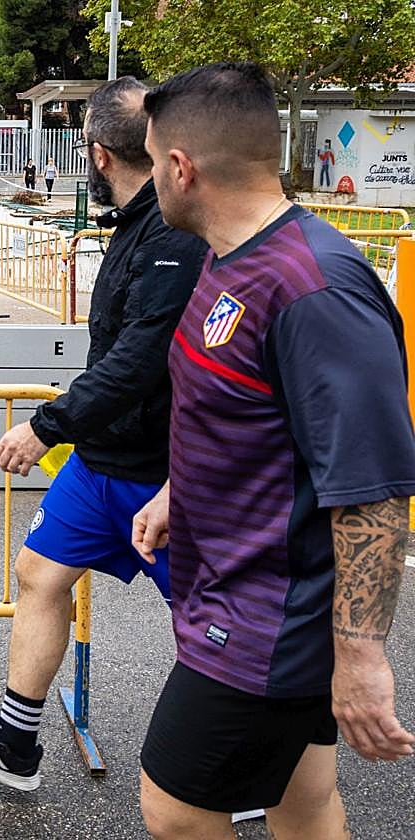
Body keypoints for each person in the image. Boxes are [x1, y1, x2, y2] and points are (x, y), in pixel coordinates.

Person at [134, 61, 415, 839]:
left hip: (268, 620)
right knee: (303, 799)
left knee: (176, 808)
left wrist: (359, 657)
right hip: (232, 590)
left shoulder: (314, 287)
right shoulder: (233, 262)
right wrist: (173, 494)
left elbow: (371, 488)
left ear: (182, 169)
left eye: (156, 162)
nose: (153, 177)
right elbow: (238, 414)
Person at [0, 76, 208, 791]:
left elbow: (144, 356)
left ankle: (235, 766)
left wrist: (44, 425)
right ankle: (15, 745)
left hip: (166, 472)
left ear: (97, 154)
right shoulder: (137, 223)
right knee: (39, 574)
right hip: (103, 460)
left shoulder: (173, 234)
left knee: (211, 624)